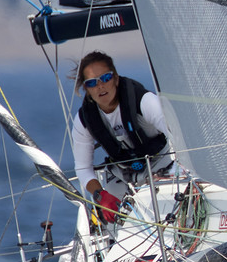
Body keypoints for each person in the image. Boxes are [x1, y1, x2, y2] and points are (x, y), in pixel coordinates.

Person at [71, 52, 172, 217]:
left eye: (105, 78)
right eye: (91, 83)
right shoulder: (84, 120)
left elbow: (178, 138)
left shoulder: (144, 101)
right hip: (123, 173)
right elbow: (83, 168)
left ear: (116, 79)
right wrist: (100, 195)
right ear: (86, 90)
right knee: (112, 222)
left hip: (162, 163)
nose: (100, 86)